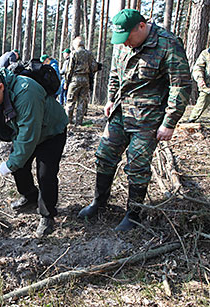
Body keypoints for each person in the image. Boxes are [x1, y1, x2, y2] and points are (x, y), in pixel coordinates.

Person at [77, 9, 192, 231]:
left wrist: (170, 122)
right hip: (121, 111)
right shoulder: (123, 42)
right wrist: (111, 98)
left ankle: (134, 214)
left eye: (128, 37)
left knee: (138, 165)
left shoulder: (168, 44)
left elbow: (180, 85)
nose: (125, 43)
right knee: (105, 155)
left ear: (142, 26)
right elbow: (114, 72)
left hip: (148, 118)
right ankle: (99, 203)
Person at [0, 68, 68, 238]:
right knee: (20, 169)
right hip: (25, 131)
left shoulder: (26, 92)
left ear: (1, 87)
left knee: (45, 173)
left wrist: (11, 163)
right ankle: (30, 196)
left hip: (51, 131)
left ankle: (47, 216)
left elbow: (28, 134)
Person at [64, 36, 100, 126]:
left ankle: (68, 122)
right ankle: (79, 122)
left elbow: (69, 69)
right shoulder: (89, 54)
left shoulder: (74, 53)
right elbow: (94, 67)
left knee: (70, 101)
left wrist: (66, 81)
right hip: (86, 80)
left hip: (75, 79)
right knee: (82, 102)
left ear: (76, 44)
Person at [186, 47, 210, 123]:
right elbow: (198, 68)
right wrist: (200, 79)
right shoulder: (206, 54)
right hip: (207, 86)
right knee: (202, 102)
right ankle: (191, 120)